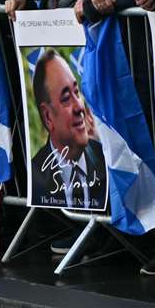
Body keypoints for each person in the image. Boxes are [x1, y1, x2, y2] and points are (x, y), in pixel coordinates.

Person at [28, 51, 105, 209]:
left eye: (76, 93)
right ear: (48, 116)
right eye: (66, 99)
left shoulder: (108, 160)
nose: (79, 107)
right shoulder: (34, 177)